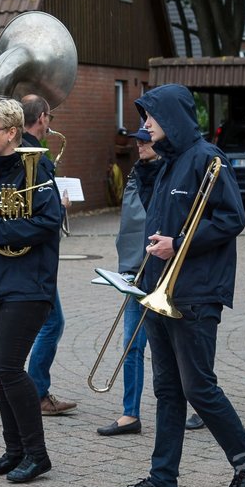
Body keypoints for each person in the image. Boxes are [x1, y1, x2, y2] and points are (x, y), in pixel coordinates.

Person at [105, 84, 245, 487]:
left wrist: (178, 245)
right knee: (167, 391)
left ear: (172, 117)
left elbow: (231, 219)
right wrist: (144, 171)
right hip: (161, 290)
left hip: (195, 293)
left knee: (200, 387)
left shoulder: (206, 159)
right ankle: (163, 482)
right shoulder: (169, 161)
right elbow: (158, 217)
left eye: (150, 117)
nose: (144, 125)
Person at [0, 99, 62, 483]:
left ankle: (38, 455)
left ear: (11, 133)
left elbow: (49, 223)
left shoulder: (37, 170)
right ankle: (14, 450)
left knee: (8, 366)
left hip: (27, 285)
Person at [98, 125, 162, 436]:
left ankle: (198, 406)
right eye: (137, 139)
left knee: (179, 347)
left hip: (164, 271)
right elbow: (131, 225)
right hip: (136, 269)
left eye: (144, 140)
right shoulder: (138, 171)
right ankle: (130, 413)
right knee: (131, 345)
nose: (138, 144)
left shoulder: (171, 172)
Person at [19, 94, 77, 416]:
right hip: (37, 256)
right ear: (41, 117)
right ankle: (37, 393)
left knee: (42, 323)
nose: (50, 123)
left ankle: (27, 387)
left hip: (27, 254)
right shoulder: (35, 156)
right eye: (49, 117)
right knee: (52, 324)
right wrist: (60, 206)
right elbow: (39, 212)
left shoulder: (22, 152)